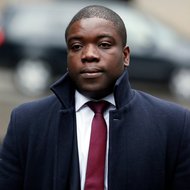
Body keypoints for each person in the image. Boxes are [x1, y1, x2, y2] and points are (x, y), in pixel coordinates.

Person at [0, 4, 190, 190]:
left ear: (125, 56)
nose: (89, 55)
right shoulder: (26, 122)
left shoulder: (175, 124)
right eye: (76, 46)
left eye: (104, 44)